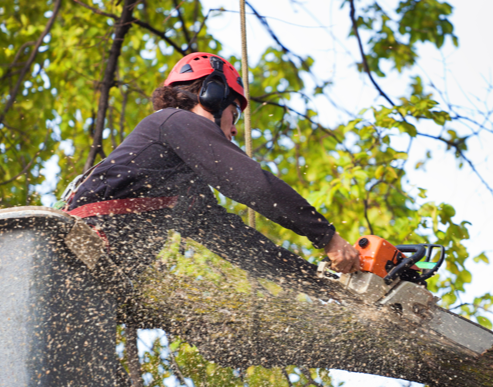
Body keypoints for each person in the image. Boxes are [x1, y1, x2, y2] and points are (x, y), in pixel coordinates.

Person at [64, 52, 360, 284]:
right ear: (213, 96)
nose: (234, 130)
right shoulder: (173, 122)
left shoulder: (184, 190)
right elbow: (252, 184)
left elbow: (240, 245)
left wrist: (320, 283)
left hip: (94, 274)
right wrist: (327, 237)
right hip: (75, 252)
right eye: (235, 113)